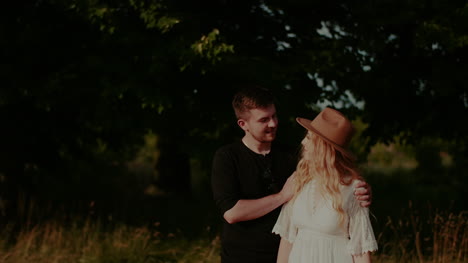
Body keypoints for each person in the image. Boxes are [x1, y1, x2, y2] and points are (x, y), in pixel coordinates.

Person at [211, 85, 372, 263]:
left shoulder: (291, 157)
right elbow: (232, 212)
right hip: (242, 257)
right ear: (243, 124)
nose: (272, 123)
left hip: (289, 255)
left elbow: (331, 176)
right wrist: (281, 196)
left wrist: (360, 191)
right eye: (264, 120)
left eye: (274, 116)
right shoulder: (227, 157)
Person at [272, 107, 378, 263]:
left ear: (324, 147)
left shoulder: (353, 189)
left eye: (309, 138)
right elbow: (288, 239)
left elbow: (360, 251)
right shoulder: (298, 181)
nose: (303, 142)